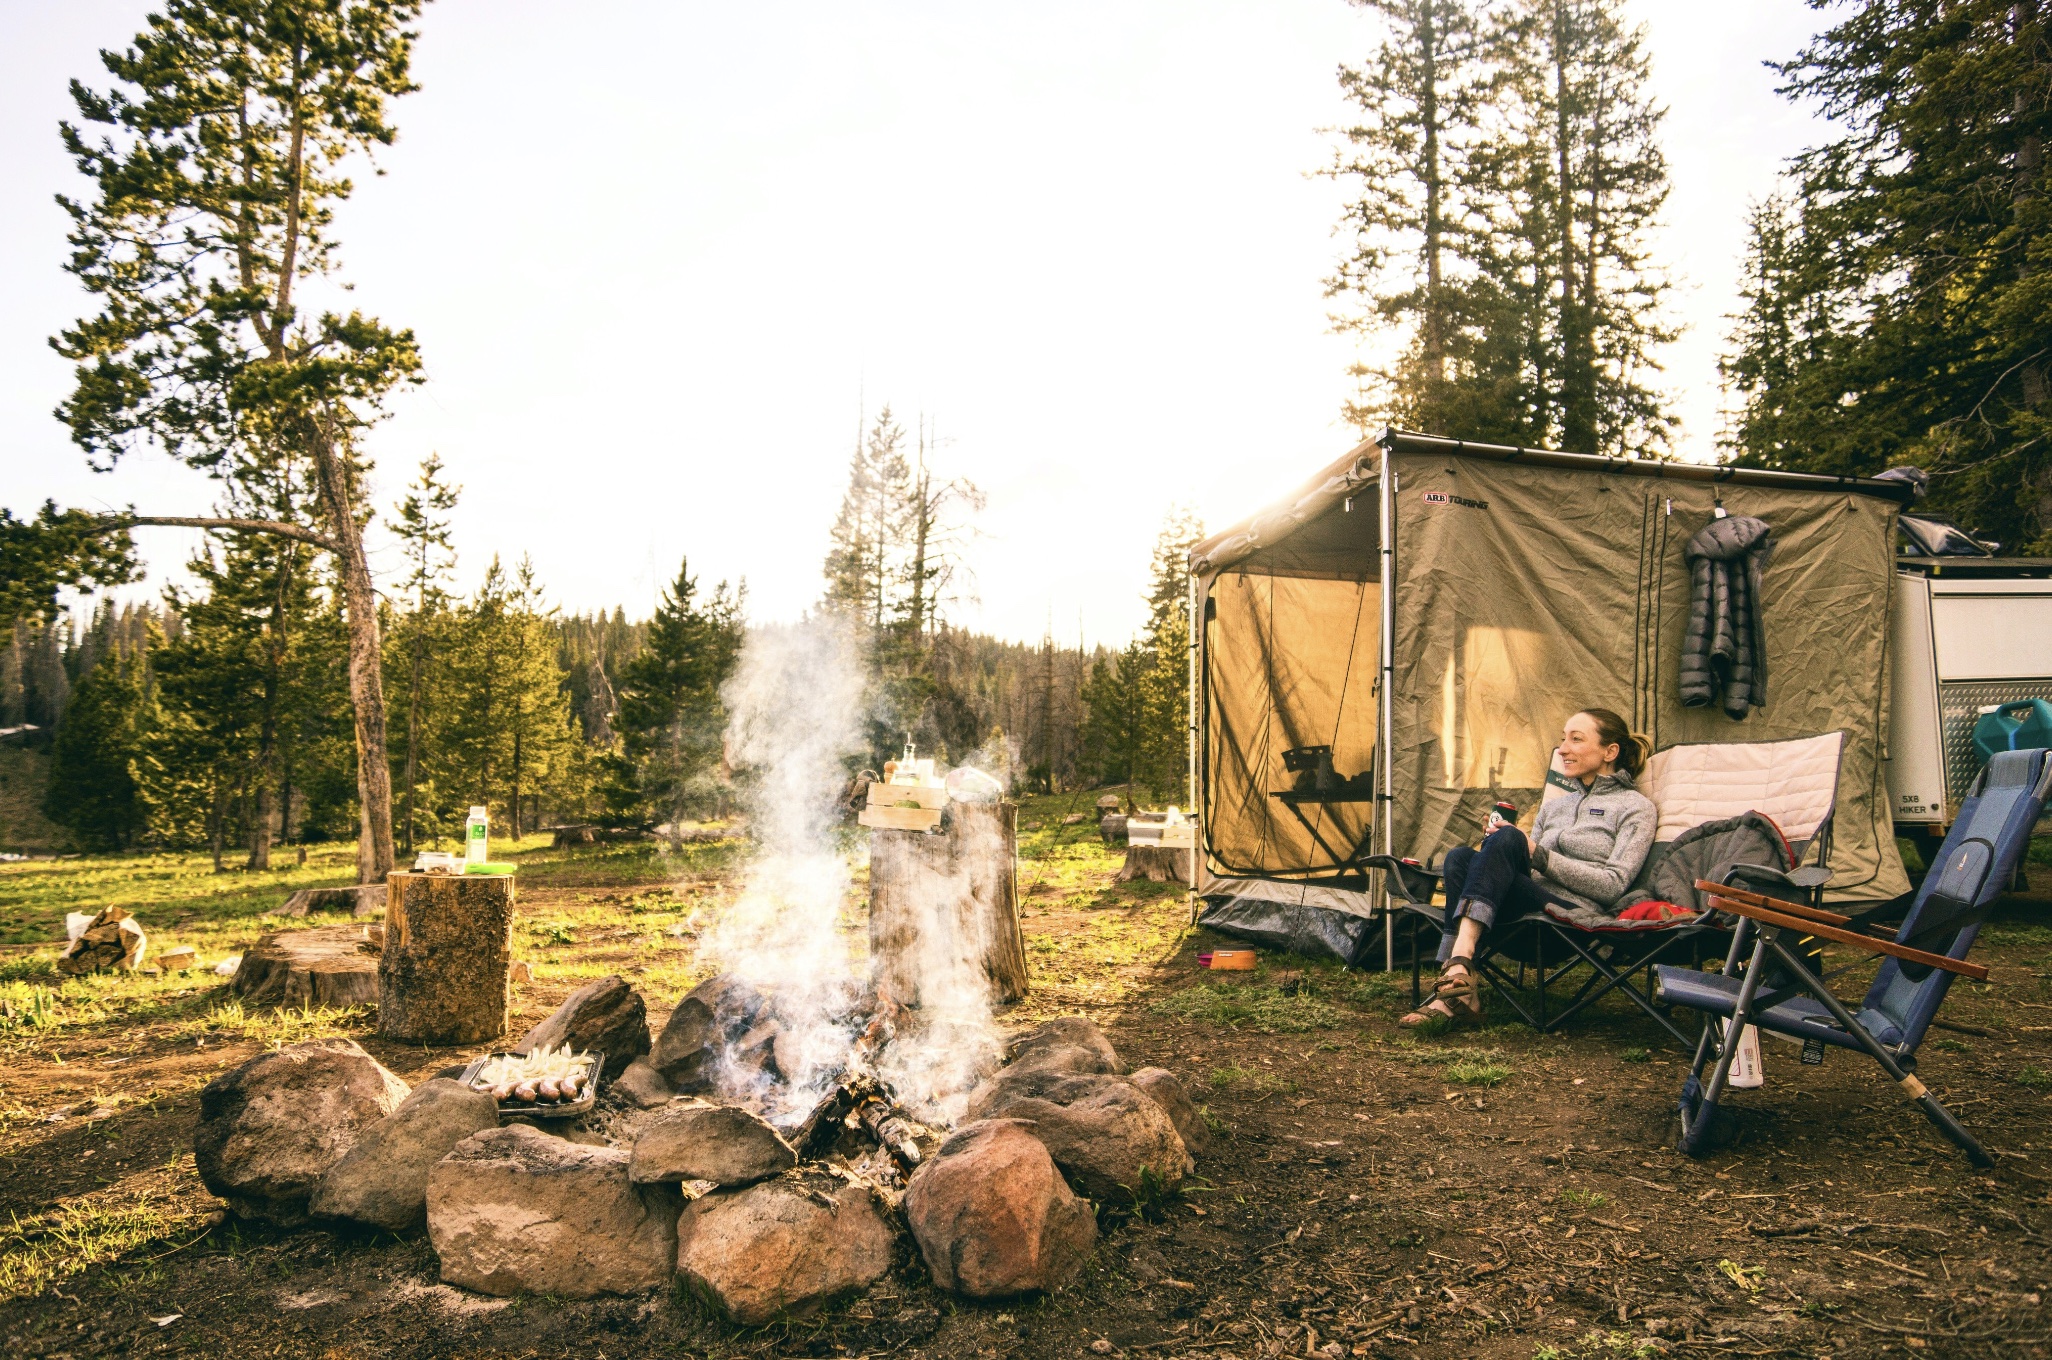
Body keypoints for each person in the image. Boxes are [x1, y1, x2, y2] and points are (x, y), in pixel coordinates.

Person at [1401, 708, 1656, 1027]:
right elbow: (1526, 870)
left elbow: (1613, 885)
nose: (1563, 749)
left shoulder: (1636, 808)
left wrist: (1536, 853)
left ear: (1610, 751)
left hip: (1569, 921)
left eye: (1576, 739)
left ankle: (1456, 969)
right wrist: (1498, 850)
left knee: (1508, 838)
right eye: (1563, 739)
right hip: (1520, 917)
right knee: (1460, 857)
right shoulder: (1555, 807)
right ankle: (1461, 981)